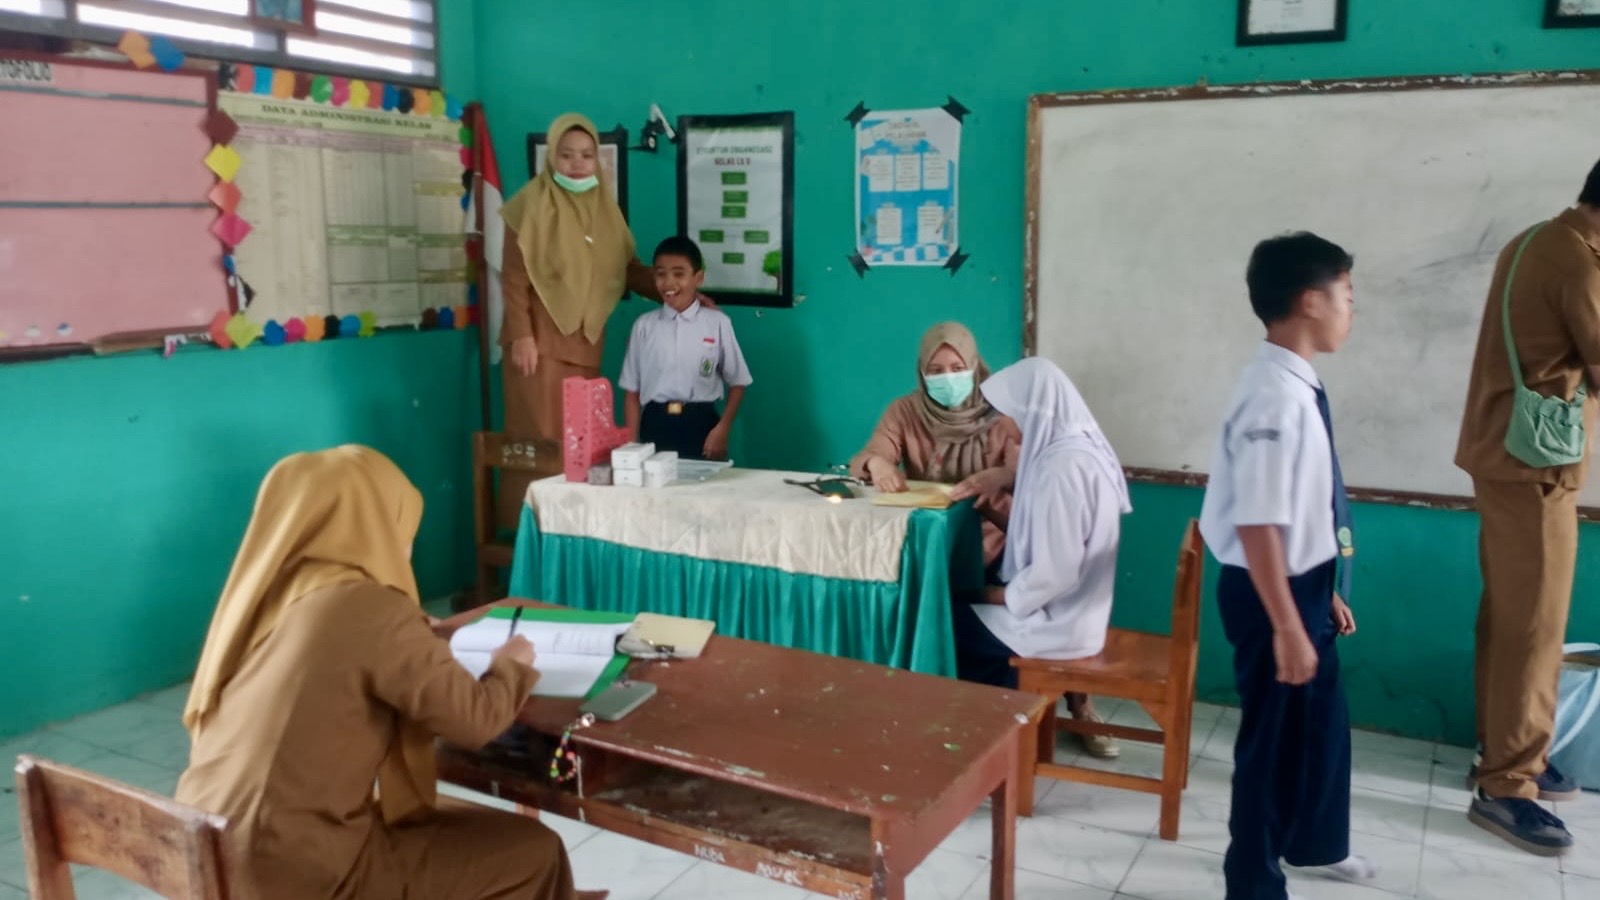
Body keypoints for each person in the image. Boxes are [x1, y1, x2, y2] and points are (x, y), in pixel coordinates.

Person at [176, 446, 605, 900]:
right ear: (374, 525)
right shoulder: (368, 607)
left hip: (205, 848)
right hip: (297, 874)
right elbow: (476, 721)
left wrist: (408, 629)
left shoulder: (268, 599)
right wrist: (511, 664)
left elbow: (337, 653)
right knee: (536, 851)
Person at [1198, 232, 1375, 900]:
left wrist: (1323, 590)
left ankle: (1316, 843)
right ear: (1310, 300)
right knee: (1271, 744)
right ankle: (1252, 882)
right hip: (1269, 593)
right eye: (1347, 295)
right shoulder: (1273, 397)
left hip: (1302, 586)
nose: (1352, 309)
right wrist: (1288, 626)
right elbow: (1258, 522)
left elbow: (1300, 510)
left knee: (1320, 725)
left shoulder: (1296, 382)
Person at [1453, 159, 1600, 856]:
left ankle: (1501, 748)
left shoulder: (1533, 239)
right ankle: (1509, 783)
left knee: (1508, 615)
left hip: (1502, 455)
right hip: (1537, 468)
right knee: (1537, 624)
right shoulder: (1579, 264)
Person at [947, 357, 1129, 759]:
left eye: (1006, 412)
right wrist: (993, 510)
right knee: (967, 607)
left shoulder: (1062, 469)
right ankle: (1001, 734)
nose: (1002, 424)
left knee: (943, 625)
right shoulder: (1077, 451)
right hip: (1077, 613)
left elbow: (1056, 572)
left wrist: (996, 595)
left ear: (1031, 408)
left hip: (1059, 622)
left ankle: (986, 746)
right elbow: (1054, 544)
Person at [497, 112, 659, 524]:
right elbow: (513, 278)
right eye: (566, 154)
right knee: (540, 443)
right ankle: (528, 534)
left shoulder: (605, 210)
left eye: (586, 155)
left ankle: (569, 532)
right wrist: (521, 336)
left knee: (581, 447)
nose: (577, 164)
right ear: (551, 157)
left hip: (585, 344)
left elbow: (627, 269)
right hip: (539, 347)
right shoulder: (529, 206)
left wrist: (677, 292)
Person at [849, 322, 1021, 567]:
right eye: (936, 370)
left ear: (974, 366)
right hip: (926, 533)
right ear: (922, 372)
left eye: (957, 368)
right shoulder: (905, 411)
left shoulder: (1003, 411)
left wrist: (1001, 476)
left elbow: (1028, 471)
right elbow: (871, 454)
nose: (947, 378)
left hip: (991, 538)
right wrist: (876, 464)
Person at [620, 236, 751, 460]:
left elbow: (739, 382)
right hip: (655, 423)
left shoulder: (717, 323)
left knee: (704, 482)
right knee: (655, 482)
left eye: (679, 274)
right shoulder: (644, 326)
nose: (668, 283)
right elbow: (632, 391)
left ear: (698, 278)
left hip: (702, 424)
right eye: (661, 274)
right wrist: (632, 445)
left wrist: (723, 429)